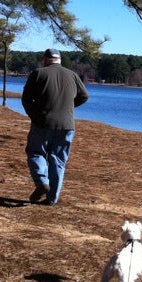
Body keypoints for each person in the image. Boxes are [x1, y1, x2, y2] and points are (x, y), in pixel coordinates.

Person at [21, 48, 89, 205]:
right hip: (67, 125)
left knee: (35, 152)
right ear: (59, 60)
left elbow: (26, 99)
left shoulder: (38, 73)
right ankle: (52, 198)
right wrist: (68, 108)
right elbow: (84, 96)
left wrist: (33, 114)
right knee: (58, 160)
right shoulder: (72, 75)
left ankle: (42, 182)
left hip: (42, 122)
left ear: (45, 59)